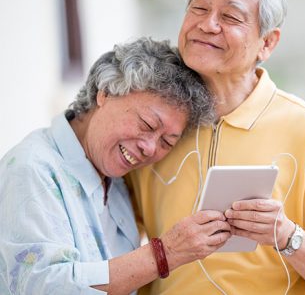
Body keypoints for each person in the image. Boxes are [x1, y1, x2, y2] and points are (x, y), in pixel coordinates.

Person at [127, 0, 305, 294]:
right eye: (199, 7)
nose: (207, 24)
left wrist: (285, 235)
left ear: (267, 43)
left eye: (231, 17)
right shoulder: (151, 123)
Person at [0, 37, 232, 295]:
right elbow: (46, 287)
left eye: (167, 141)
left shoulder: (115, 178)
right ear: (106, 93)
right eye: (146, 124)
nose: (151, 148)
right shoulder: (32, 169)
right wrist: (168, 252)